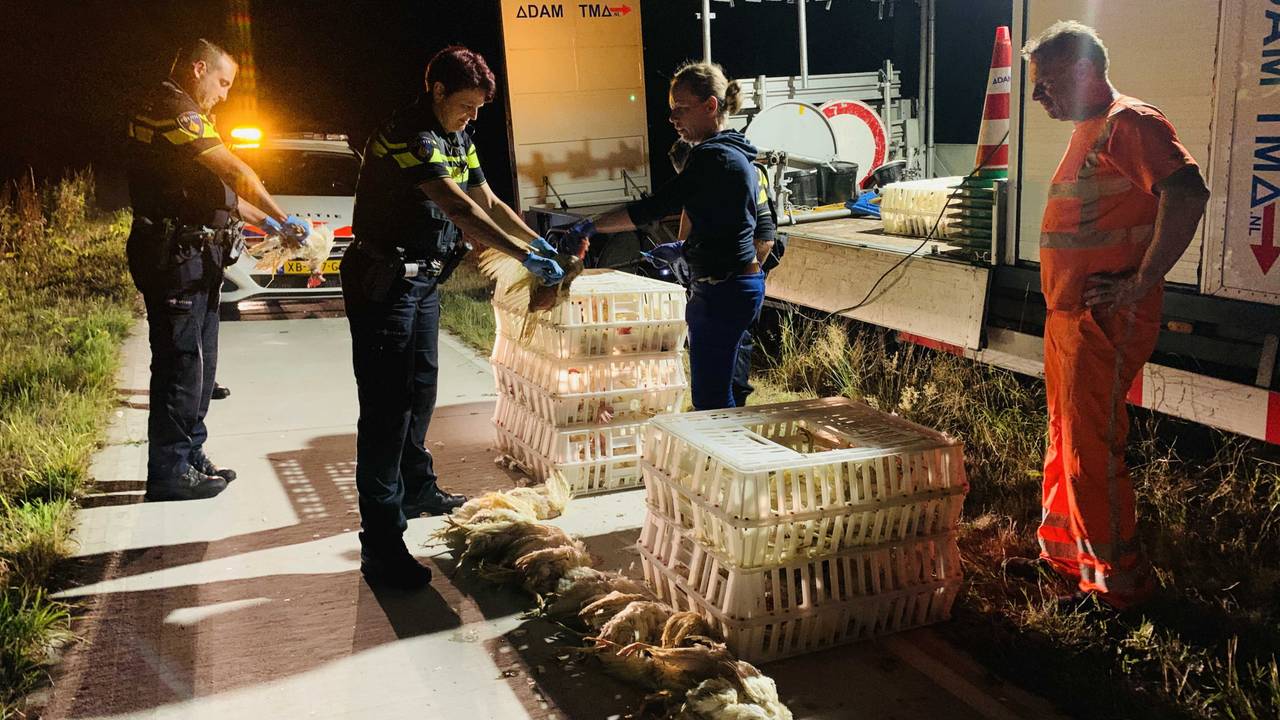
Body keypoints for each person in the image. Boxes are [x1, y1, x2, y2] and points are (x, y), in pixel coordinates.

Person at [1002, 22, 1209, 610]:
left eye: (1046, 84)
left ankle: (1119, 588)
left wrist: (1143, 281)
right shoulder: (1090, 129)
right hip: (1069, 321)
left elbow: (1187, 192)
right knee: (1067, 443)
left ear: (1085, 71)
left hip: (1101, 322)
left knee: (1092, 451)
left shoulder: (1131, 122)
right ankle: (1067, 560)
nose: (1038, 96)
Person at [342, 45, 564, 590]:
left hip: (421, 283)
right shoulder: (411, 134)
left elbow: (487, 200)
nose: (473, 116)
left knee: (420, 391)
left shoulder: (455, 136)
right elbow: (458, 208)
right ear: (437, 91)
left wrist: (540, 244)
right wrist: (523, 258)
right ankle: (382, 544)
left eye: (480, 108)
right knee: (386, 412)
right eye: (466, 104)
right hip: (385, 284)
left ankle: (417, 486)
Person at [126, 38, 309, 502]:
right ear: (198, 67)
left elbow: (222, 194)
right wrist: (283, 214)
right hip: (174, 256)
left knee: (202, 365)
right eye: (222, 82)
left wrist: (266, 221)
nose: (225, 94)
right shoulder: (170, 105)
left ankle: (190, 455)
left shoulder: (192, 114)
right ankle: (169, 471)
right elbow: (234, 170)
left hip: (198, 257)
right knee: (180, 363)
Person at [570, 62, 766, 411]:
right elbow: (721, 219)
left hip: (724, 288)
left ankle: (727, 462)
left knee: (711, 400)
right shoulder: (734, 151)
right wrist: (687, 248)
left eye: (681, 108)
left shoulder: (712, 156)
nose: (673, 118)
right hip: (731, 285)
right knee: (723, 391)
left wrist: (591, 225)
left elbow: (653, 207)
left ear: (710, 106)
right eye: (671, 108)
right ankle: (732, 456)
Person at [664, 139, 779, 407]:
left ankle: (731, 416)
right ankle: (723, 413)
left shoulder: (736, 176)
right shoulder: (715, 176)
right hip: (727, 281)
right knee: (716, 372)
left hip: (736, 280)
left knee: (732, 359)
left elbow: (764, 240)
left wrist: (743, 274)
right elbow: (686, 234)